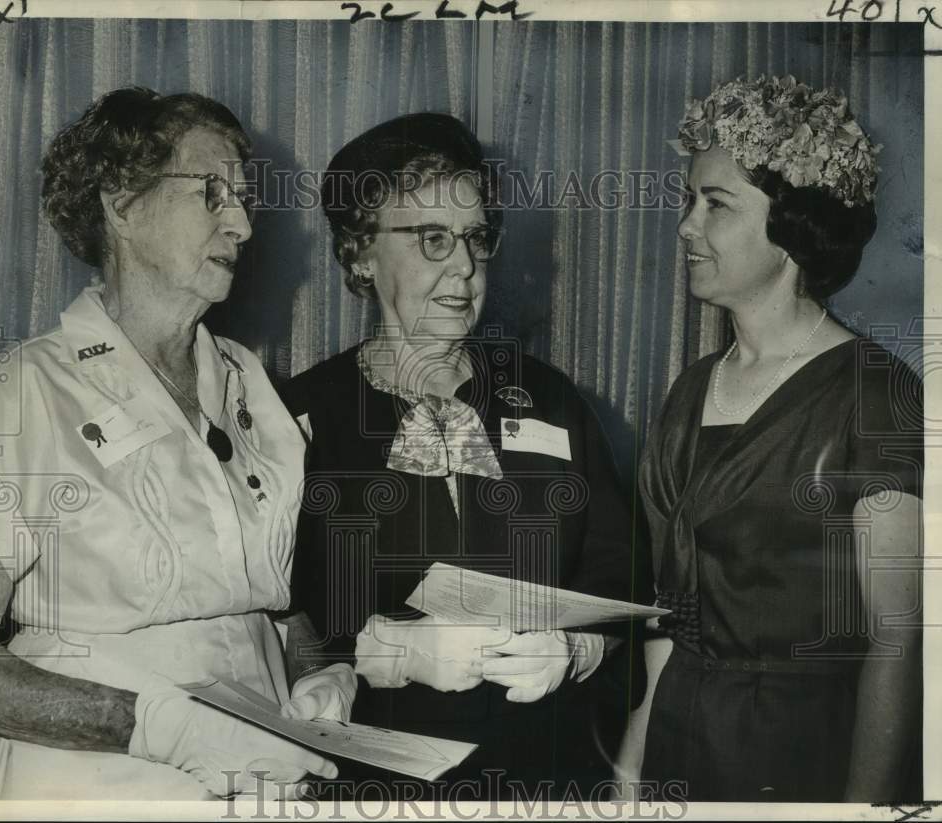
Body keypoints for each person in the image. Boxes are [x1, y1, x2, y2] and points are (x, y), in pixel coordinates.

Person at [0, 87, 356, 800]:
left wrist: (315, 672)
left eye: (242, 197)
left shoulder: (246, 381)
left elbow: (267, 594)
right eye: (211, 192)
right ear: (122, 205)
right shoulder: (33, 388)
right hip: (91, 784)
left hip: (259, 774)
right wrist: (155, 726)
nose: (239, 221)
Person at [280, 112, 652, 798]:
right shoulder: (300, 418)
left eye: (477, 237)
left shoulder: (550, 397)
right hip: (376, 788)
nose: (465, 266)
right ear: (360, 251)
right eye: (432, 239)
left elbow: (625, 576)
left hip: (547, 781)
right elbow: (276, 611)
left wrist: (579, 650)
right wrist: (371, 656)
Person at [626, 75, 922, 802]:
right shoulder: (690, 390)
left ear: (790, 227)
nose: (687, 227)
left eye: (716, 204)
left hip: (799, 760)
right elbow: (671, 625)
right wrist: (629, 772)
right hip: (677, 745)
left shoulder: (875, 395)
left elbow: (899, 644)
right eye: (689, 201)